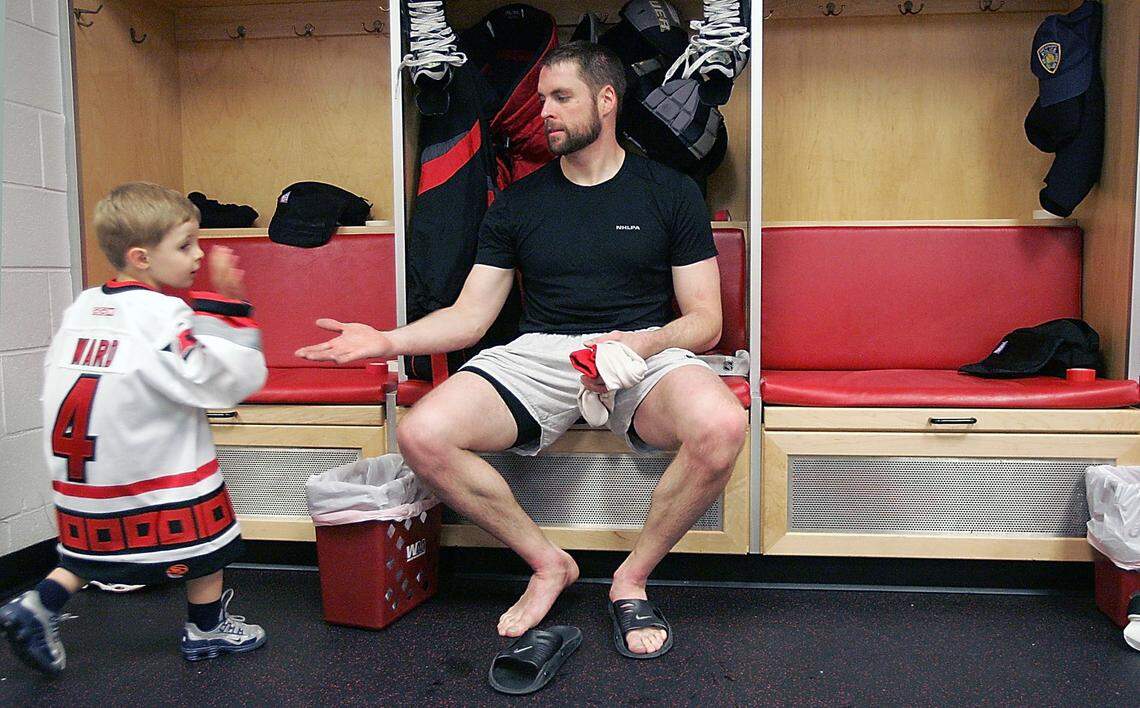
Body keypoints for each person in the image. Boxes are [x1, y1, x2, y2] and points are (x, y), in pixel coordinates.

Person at [297, 42, 747, 658]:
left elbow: (705, 321)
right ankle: (547, 563)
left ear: (607, 100)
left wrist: (645, 341)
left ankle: (630, 579)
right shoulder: (518, 202)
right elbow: (470, 316)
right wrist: (386, 340)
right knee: (423, 433)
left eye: (561, 98)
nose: (545, 114)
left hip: (642, 350)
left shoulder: (670, 193)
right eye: (541, 100)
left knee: (722, 425)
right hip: (541, 353)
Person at [0, 183, 269, 675]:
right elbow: (216, 381)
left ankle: (39, 604)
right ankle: (206, 629)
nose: (199, 254)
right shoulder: (163, 312)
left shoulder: (82, 306)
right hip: (151, 468)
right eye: (185, 244)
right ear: (141, 257)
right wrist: (232, 308)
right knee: (211, 542)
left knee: (92, 552)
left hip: (84, 477)